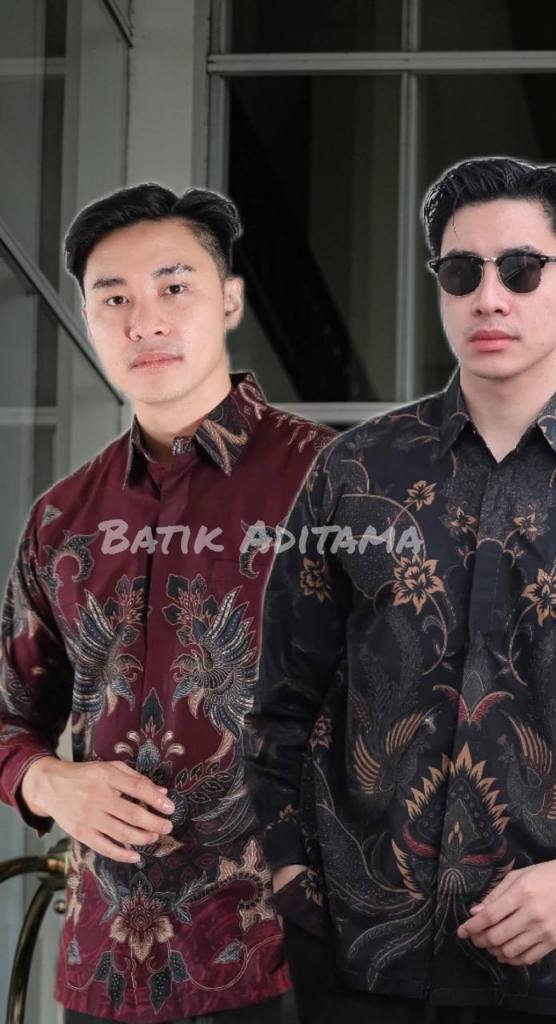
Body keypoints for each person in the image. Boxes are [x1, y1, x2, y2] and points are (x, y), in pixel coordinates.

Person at [245, 156, 556, 1022]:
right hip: (361, 963)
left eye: (520, 269)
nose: (489, 297)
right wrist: (292, 874)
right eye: (461, 272)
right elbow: (281, 706)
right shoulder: (353, 474)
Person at [0, 184, 335, 1023]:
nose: (144, 321)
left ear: (230, 301)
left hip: (298, 958)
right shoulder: (61, 520)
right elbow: (10, 715)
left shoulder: (340, 483)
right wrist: (47, 781)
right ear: (88, 319)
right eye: (114, 298)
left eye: (174, 287)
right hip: (109, 967)